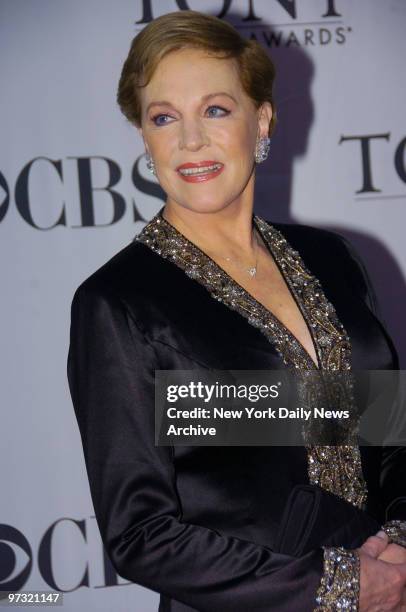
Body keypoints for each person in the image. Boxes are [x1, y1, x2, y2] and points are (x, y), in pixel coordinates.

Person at [67, 10, 406, 611]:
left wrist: (399, 549)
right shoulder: (120, 302)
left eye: (216, 110)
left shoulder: (332, 258)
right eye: (164, 117)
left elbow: (389, 433)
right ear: (145, 139)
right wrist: (344, 587)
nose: (190, 140)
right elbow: (140, 535)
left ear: (263, 119)